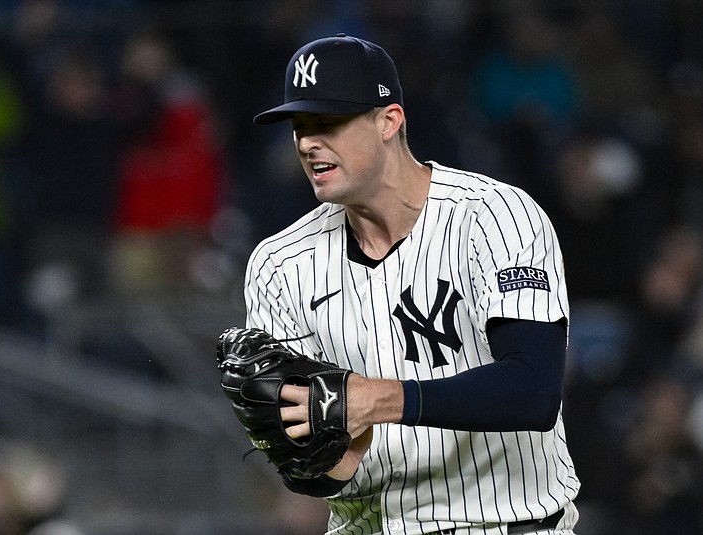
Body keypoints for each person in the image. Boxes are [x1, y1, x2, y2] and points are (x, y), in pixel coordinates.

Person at [244, 34, 581, 534]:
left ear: (389, 120)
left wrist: (376, 401)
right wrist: (308, 454)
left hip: (505, 522)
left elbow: (533, 389)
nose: (308, 142)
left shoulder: (495, 217)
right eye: (299, 126)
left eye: (328, 122)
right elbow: (317, 473)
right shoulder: (278, 263)